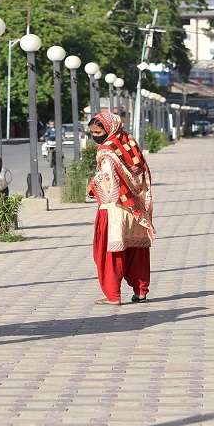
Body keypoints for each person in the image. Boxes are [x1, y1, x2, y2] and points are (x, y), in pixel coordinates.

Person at [87, 112, 155, 305]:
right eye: (92, 132)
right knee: (136, 251)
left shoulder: (106, 150)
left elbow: (108, 182)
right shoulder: (129, 143)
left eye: (98, 131)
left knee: (110, 253)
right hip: (136, 209)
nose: (95, 135)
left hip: (114, 208)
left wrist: (93, 185)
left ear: (108, 129)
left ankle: (113, 295)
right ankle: (141, 292)